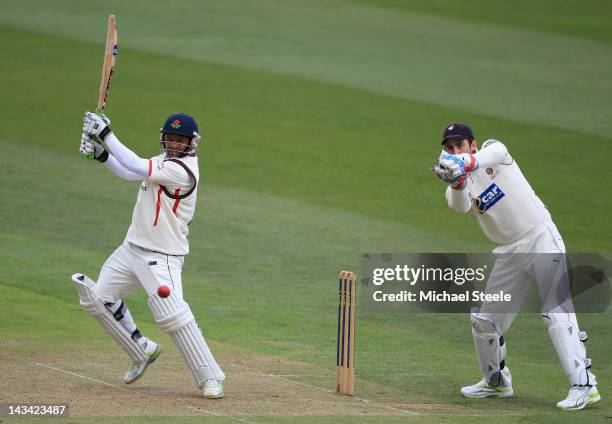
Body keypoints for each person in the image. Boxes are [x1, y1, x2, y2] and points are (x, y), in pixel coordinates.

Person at [432, 123, 600, 410]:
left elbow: (497, 150)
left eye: (459, 145)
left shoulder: (493, 153)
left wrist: (465, 162)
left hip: (540, 239)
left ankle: (584, 385)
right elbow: (458, 206)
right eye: (449, 148)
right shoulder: (461, 182)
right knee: (486, 322)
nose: (454, 151)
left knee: (555, 312)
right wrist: (457, 182)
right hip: (509, 252)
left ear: (472, 144)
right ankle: (497, 384)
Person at [71, 111, 225, 399]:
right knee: (98, 299)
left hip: (163, 256)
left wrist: (106, 134)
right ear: (164, 138)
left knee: (174, 317)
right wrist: (102, 155)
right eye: (171, 138)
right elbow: (131, 171)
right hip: (131, 249)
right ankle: (141, 348)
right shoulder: (163, 162)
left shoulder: (183, 170)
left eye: (181, 140)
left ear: (192, 143)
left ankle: (211, 377)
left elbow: (134, 162)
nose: (175, 144)